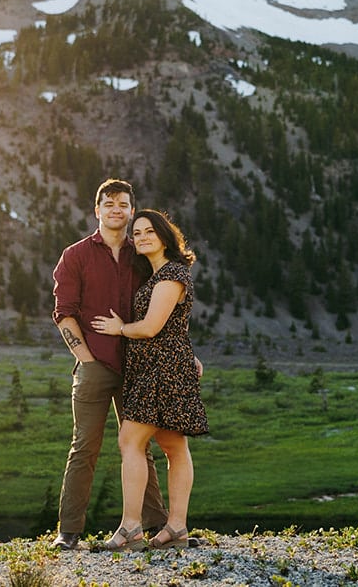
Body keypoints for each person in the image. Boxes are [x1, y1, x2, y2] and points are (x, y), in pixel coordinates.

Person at [49, 178, 167, 550]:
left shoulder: (142, 254)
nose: (117, 210)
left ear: (132, 211)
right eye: (109, 204)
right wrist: (86, 359)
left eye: (123, 205)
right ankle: (68, 533)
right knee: (84, 447)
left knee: (140, 447)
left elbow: (162, 309)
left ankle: (156, 527)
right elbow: (64, 314)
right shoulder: (76, 255)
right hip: (95, 364)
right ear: (96, 210)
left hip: (138, 365)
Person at [90, 208, 208, 551]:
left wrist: (120, 329)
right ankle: (176, 528)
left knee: (130, 440)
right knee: (172, 446)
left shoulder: (171, 274)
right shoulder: (156, 274)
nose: (141, 237)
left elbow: (153, 327)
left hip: (163, 369)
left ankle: (131, 528)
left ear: (164, 236)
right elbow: (176, 327)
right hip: (160, 366)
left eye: (148, 232)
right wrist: (190, 354)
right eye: (137, 232)